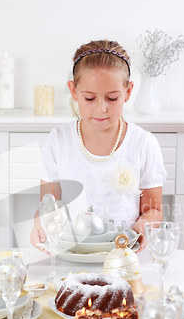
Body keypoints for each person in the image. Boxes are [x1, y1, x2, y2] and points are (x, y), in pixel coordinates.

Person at [30, 39, 167, 253]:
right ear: (74, 91)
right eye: (90, 98)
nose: (101, 108)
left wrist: (145, 225)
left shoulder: (143, 143)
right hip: (73, 253)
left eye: (112, 98)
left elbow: (153, 210)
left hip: (123, 255)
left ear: (128, 92)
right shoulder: (59, 141)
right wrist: (41, 224)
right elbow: (48, 206)